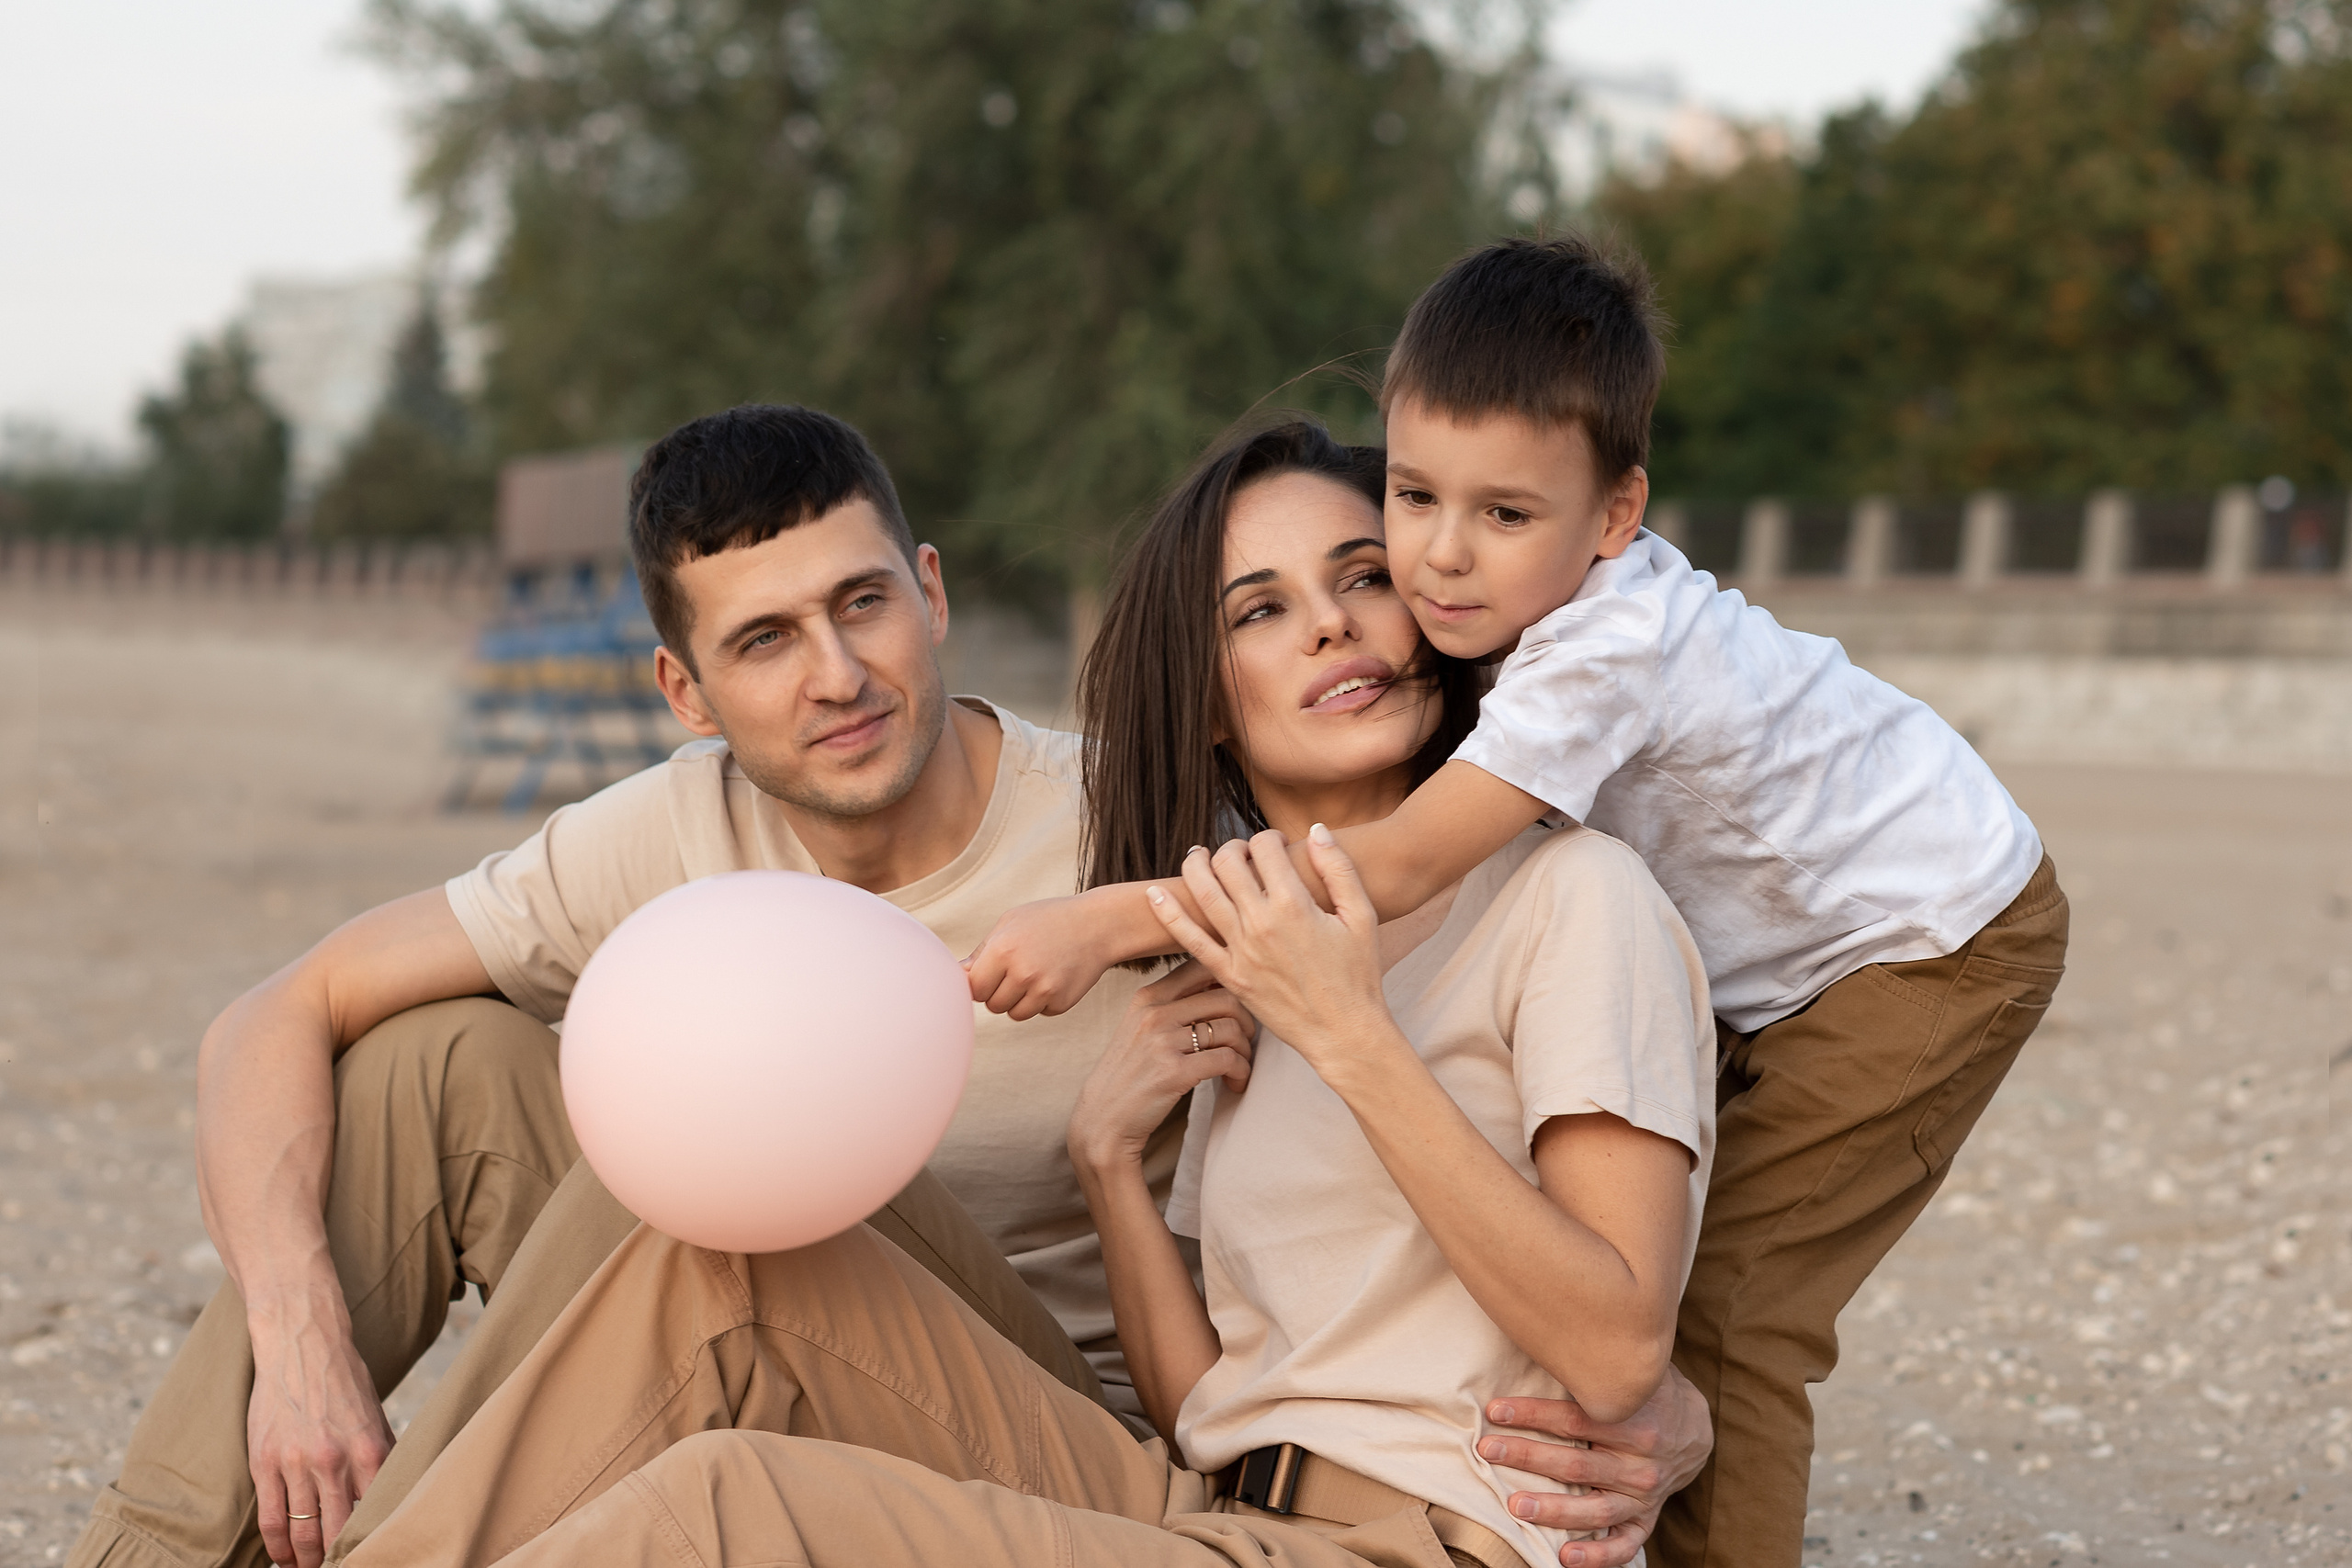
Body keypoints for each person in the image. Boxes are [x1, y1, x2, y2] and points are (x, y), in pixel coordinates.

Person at [72, 405, 1655, 1568]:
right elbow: (276, 1008)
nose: (835, 676)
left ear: (932, 591)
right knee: (480, 1083)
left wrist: (1677, 1406)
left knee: (710, 1276)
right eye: (766, 642)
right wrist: (300, 1341)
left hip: (1065, 1430)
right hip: (1153, 1453)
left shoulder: (1178, 844)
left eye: (861, 605)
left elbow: (1611, 1194)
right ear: (686, 694)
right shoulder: (667, 834)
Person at [964, 238, 2072, 1568]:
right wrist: (1107, 1161)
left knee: (1733, 1321)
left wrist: (1114, 921)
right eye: (1413, 504)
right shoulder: (1521, 664)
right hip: (1793, 951)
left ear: (1615, 519)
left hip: (1928, 936)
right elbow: (1210, 1391)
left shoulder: (1590, 680)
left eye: (1364, 569)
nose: (1432, 565)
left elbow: (1416, 859)